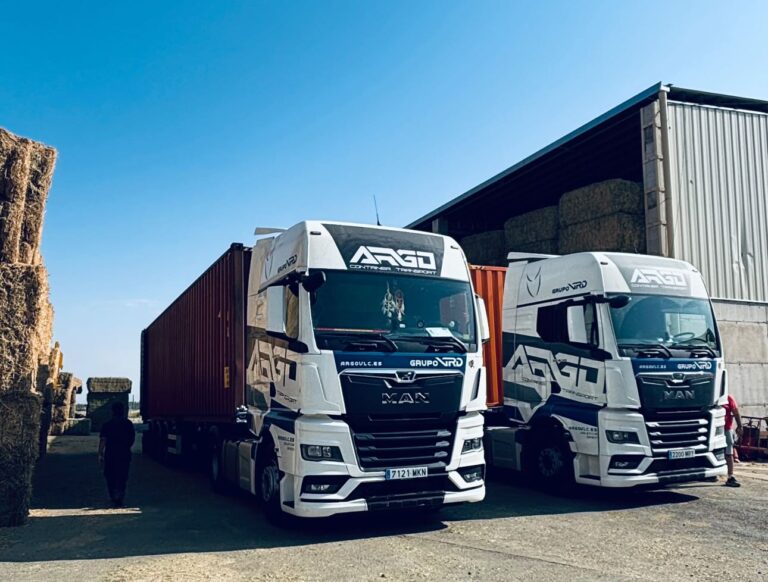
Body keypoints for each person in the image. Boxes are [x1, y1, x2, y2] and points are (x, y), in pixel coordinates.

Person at [98, 402, 135, 506]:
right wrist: (126, 447)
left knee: (110, 475)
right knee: (123, 475)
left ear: (112, 411)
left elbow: (103, 440)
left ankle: (113, 494)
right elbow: (132, 439)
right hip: (124, 453)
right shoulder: (128, 424)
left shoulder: (107, 425)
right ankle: (120, 494)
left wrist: (100, 453)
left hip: (110, 453)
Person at [722, 394, 743, 487]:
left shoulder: (728, 397)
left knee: (729, 451)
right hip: (712, 428)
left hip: (726, 428)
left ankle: (730, 476)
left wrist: (740, 426)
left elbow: (736, 412)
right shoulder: (710, 395)